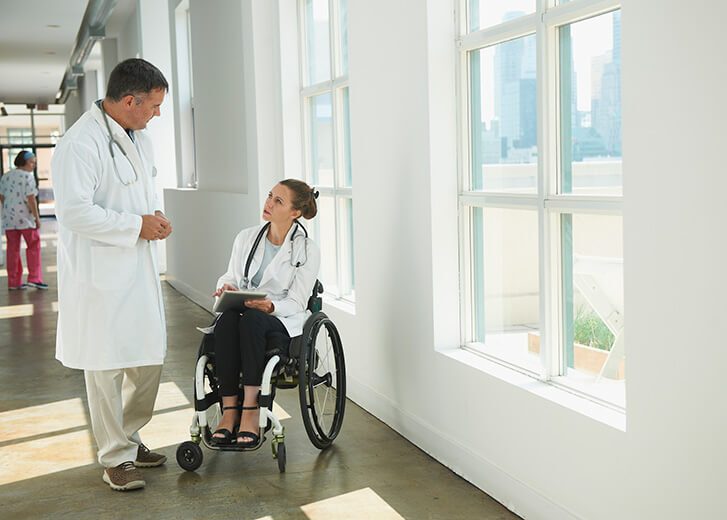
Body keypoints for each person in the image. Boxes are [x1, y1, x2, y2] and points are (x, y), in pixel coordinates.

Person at [52, 58, 173, 492]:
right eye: (154, 106)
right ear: (128, 100)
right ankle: (115, 458)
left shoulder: (140, 138)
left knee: (147, 361)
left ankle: (130, 436)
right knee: (105, 369)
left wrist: (152, 218)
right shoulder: (79, 143)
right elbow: (73, 212)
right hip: (99, 275)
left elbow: (135, 194)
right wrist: (134, 226)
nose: (157, 114)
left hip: (136, 268)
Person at [211, 179, 320, 447]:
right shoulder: (246, 237)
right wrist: (226, 287)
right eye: (270, 196)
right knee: (225, 321)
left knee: (252, 320)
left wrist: (271, 307)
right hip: (244, 312)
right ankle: (228, 411)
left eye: (278, 201)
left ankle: (250, 409)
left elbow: (296, 301)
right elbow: (231, 275)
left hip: (280, 321)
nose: (268, 203)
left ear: (295, 213)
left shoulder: (307, 250)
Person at [0, 150, 47, 290]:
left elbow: (2, 197)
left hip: (9, 219)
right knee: (34, 246)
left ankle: (13, 282)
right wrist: (36, 217)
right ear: (24, 162)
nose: (34, 165)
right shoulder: (28, 177)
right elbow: (31, 199)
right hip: (25, 218)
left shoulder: (6, 176)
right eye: (32, 162)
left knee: (12, 250)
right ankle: (34, 278)